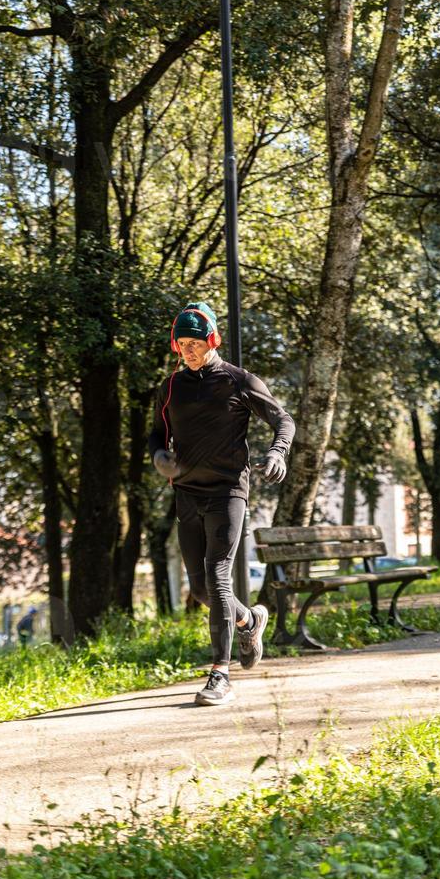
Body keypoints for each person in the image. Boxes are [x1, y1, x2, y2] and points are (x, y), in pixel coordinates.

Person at [149, 302, 295, 706]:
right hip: (187, 493)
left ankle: (220, 673)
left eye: (196, 342)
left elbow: (284, 419)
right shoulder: (171, 387)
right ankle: (250, 618)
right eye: (182, 343)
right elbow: (157, 434)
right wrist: (160, 456)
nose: (189, 350)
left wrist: (278, 452)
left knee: (217, 576)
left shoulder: (238, 380)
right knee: (199, 588)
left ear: (211, 339)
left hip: (229, 490)